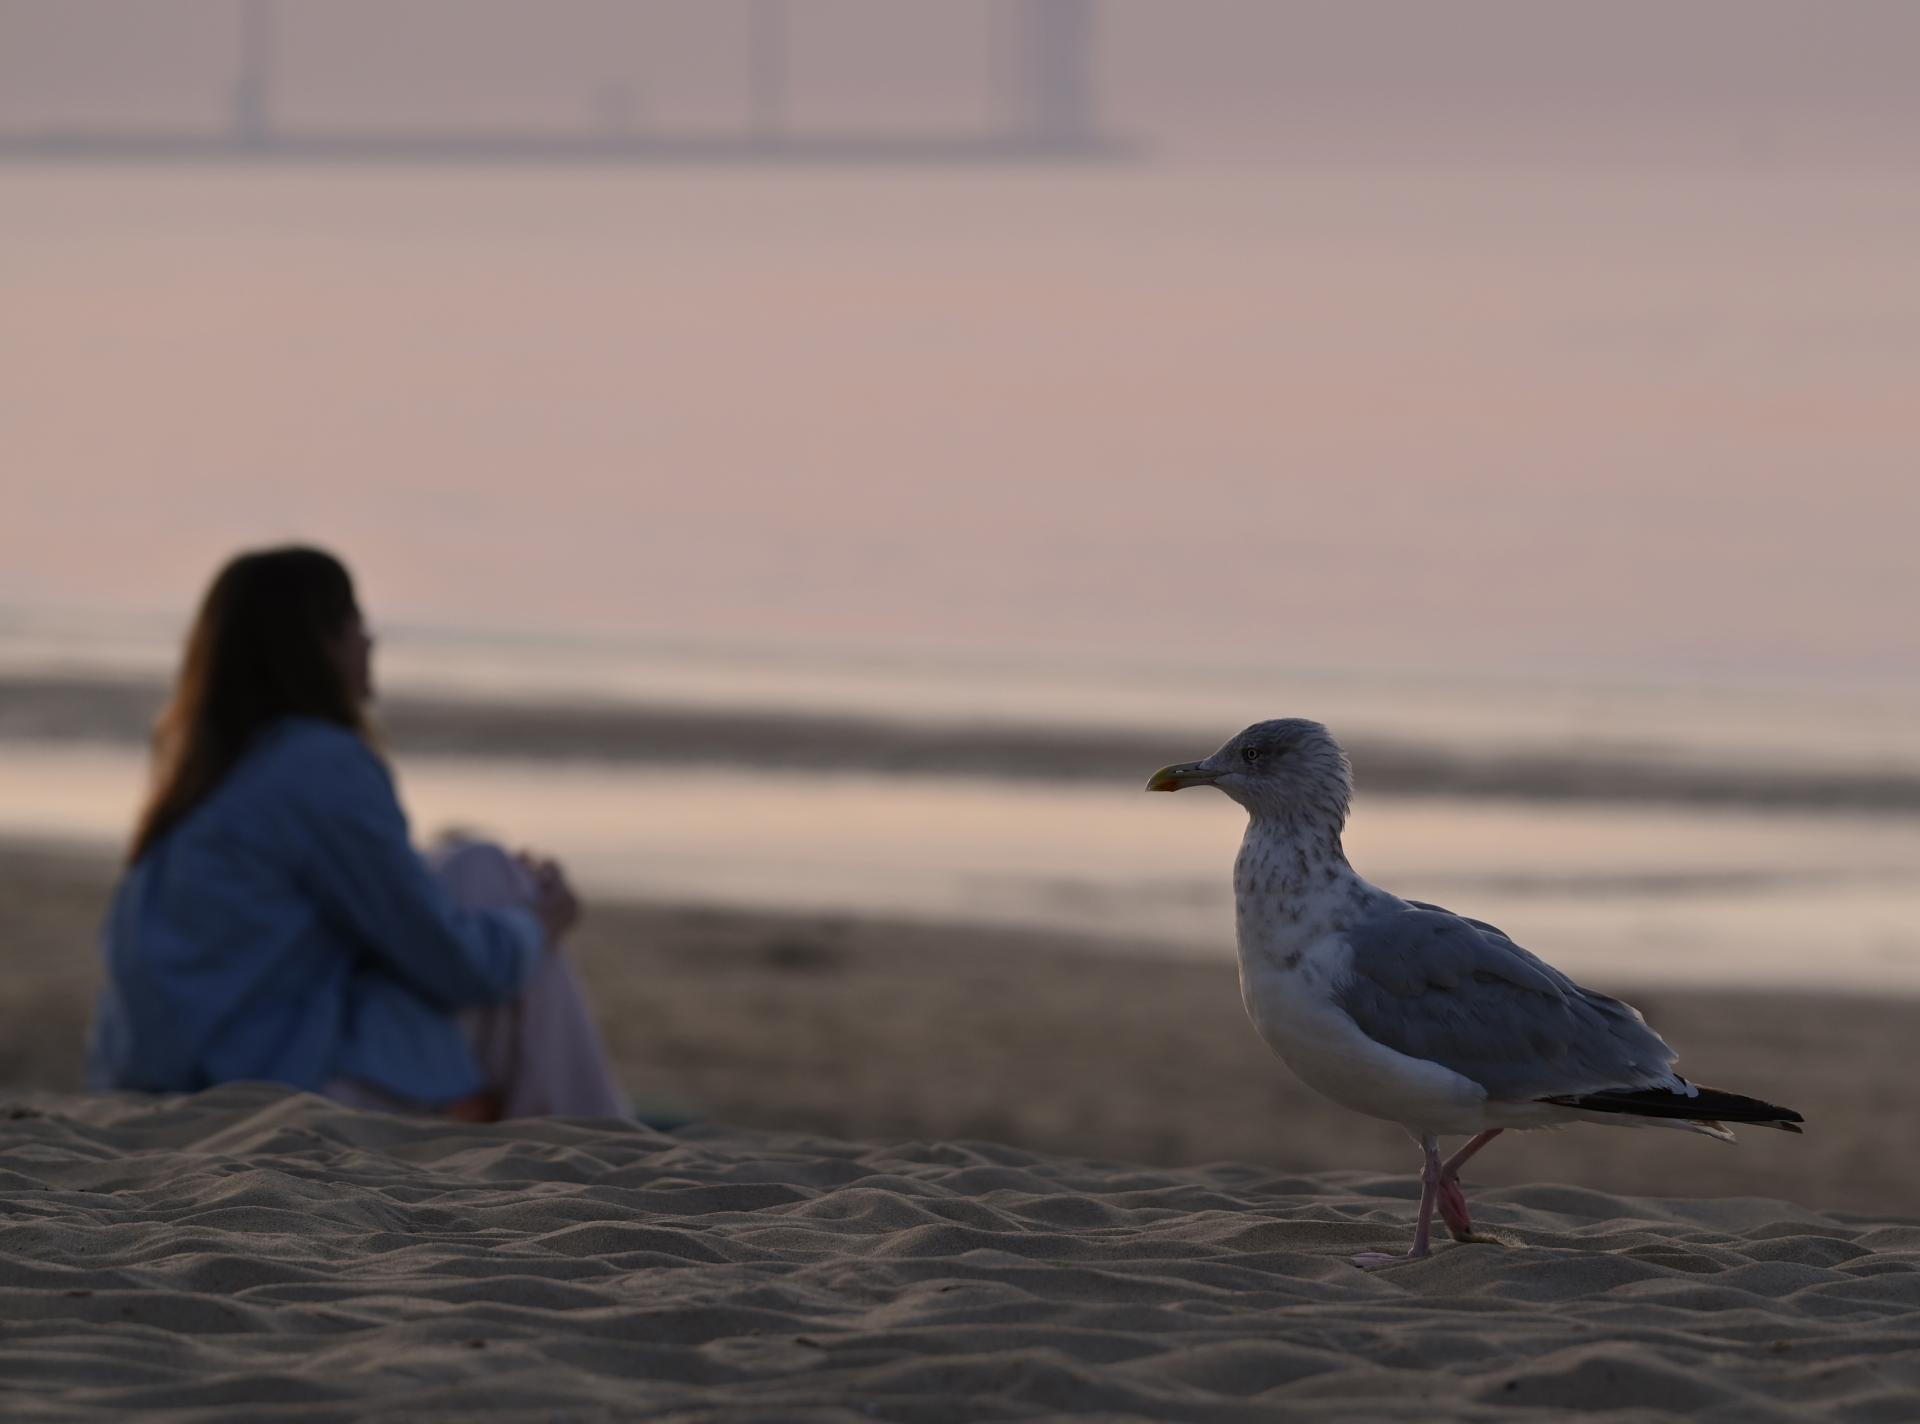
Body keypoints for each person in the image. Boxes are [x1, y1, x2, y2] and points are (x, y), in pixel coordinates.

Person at [87, 545, 628, 1121]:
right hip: (263, 1083)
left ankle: (582, 1120)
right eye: (355, 622)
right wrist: (538, 924)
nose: (370, 641)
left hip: (173, 1073)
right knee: (494, 878)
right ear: (317, 645)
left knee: (469, 864)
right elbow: (453, 963)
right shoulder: (318, 764)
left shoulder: (206, 772)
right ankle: (597, 1128)